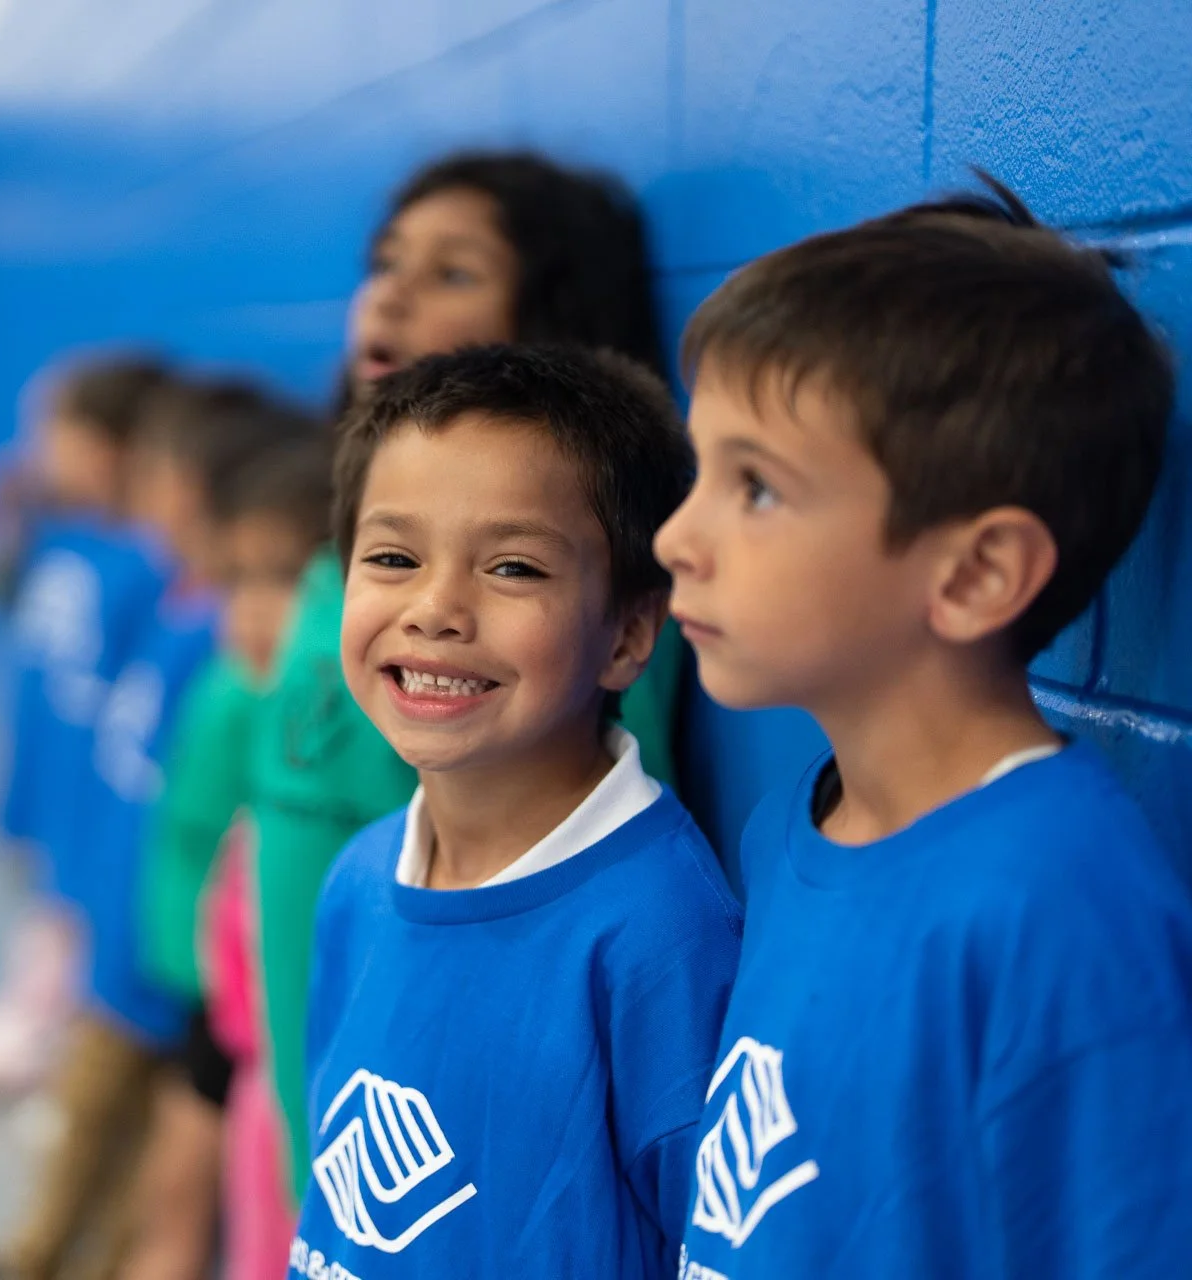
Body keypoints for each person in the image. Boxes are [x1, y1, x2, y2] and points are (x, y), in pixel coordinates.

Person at [659, 177, 1192, 1277]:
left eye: (754, 489)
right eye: (698, 470)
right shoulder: (786, 827)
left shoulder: (1061, 907)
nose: (676, 536)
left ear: (976, 572)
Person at [250, 149, 681, 1204]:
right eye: (385, 260)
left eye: (451, 272)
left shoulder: (649, 918)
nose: (389, 293)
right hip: (336, 1064)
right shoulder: (364, 873)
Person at [290, 344, 739, 1278]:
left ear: (627, 634)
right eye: (393, 556)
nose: (437, 609)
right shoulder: (360, 879)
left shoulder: (661, 934)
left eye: (514, 569)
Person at [0, 382, 311, 1280]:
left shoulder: (232, 657)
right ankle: (39, 1256)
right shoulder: (178, 621)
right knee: (101, 1128)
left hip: (193, 982)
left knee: (162, 1171)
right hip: (137, 945)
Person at [0, 355, 171, 1099]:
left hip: (97, 792)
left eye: (53, 434)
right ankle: (33, 1023)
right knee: (49, 910)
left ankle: (72, 1061)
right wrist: (4, 520)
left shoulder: (145, 564)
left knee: (92, 927)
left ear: (109, 448)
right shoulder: (65, 539)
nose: (34, 453)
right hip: (47, 780)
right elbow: (0, 595)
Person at [120, 435, 335, 1280]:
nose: (250, 609)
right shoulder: (238, 694)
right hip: (236, 1045)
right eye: (236, 577)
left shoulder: (324, 748)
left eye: (284, 579)